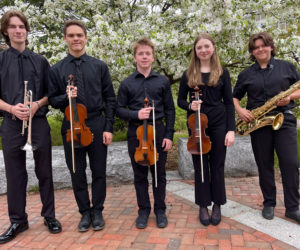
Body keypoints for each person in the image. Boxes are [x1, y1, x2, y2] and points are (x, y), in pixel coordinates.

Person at [0, 10, 62, 244]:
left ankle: (50, 216)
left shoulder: (40, 61)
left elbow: (51, 93)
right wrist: (11, 108)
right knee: (15, 175)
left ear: (26, 30)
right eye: (13, 27)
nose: (18, 31)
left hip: (37, 123)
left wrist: (36, 104)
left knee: (44, 171)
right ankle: (18, 220)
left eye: (22, 27)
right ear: (6, 31)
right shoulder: (0, 60)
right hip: (11, 123)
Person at [48, 20, 116, 232]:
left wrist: (108, 127)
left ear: (86, 38)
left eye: (79, 35)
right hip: (70, 126)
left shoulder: (99, 66)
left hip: (96, 123)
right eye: (71, 35)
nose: (76, 39)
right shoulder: (57, 69)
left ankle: (98, 211)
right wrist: (64, 96)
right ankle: (84, 213)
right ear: (65, 39)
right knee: (77, 172)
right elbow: (52, 100)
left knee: (99, 171)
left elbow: (110, 99)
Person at [233, 32, 300, 224]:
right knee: (264, 164)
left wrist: (290, 97)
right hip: (259, 122)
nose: (260, 49)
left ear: (271, 47)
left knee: (290, 163)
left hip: (284, 119)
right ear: (252, 52)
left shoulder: (287, 67)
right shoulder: (246, 74)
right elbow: (234, 96)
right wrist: (240, 110)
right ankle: (269, 202)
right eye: (255, 47)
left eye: (263, 45)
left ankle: (293, 207)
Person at [116, 38, 175, 229]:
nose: (144, 57)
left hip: (158, 131)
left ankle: (160, 210)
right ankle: (143, 210)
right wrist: (136, 114)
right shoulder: (127, 83)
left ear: (153, 57)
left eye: (147, 53)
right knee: (140, 174)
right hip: (136, 132)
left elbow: (170, 110)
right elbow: (118, 109)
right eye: (140, 53)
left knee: (159, 174)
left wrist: (169, 135)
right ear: (135, 57)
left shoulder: (162, 81)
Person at [177, 33, 235, 226]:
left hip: (219, 121)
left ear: (213, 48)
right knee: (200, 165)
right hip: (196, 122)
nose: (203, 50)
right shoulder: (188, 74)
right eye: (199, 47)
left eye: (206, 46)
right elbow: (180, 100)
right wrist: (189, 107)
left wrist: (231, 130)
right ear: (195, 50)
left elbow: (228, 103)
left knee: (217, 164)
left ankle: (217, 204)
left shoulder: (222, 72)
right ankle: (203, 205)